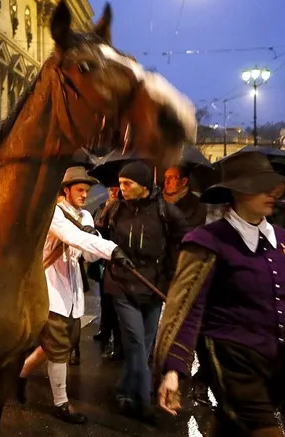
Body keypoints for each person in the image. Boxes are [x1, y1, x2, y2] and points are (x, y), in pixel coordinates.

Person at [156, 151, 285, 437]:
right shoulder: (207, 241)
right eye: (261, 186)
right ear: (236, 192)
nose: (273, 192)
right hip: (233, 364)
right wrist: (174, 369)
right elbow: (186, 309)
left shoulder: (279, 239)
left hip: (273, 366)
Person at [17, 167, 130, 423]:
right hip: (51, 287)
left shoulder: (86, 216)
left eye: (86, 191)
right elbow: (71, 236)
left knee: (60, 345)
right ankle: (61, 403)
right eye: (79, 190)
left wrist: (95, 236)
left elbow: (88, 255)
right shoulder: (54, 213)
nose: (84, 195)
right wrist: (111, 249)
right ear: (66, 190)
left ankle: (21, 372)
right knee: (58, 347)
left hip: (73, 290)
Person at [99, 160, 191, 422]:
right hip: (121, 285)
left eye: (127, 184)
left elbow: (186, 239)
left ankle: (124, 392)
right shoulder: (115, 208)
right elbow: (97, 232)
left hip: (153, 287)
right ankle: (143, 400)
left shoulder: (165, 211)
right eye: (120, 183)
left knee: (145, 345)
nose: (122, 188)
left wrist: (175, 274)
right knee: (137, 345)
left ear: (143, 186)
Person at [93, 187, 124, 360]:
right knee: (106, 301)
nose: (113, 191)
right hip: (104, 261)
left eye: (116, 187)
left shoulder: (122, 208)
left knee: (117, 306)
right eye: (111, 188)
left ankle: (117, 343)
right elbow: (98, 228)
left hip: (117, 260)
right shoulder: (102, 207)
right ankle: (105, 331)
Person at [163, 164, 207, 230]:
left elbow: (190, 230)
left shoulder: (198, 205)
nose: (167, 182)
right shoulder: (157, 201)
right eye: (166, 177)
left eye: (172, 178)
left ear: (184, 181)